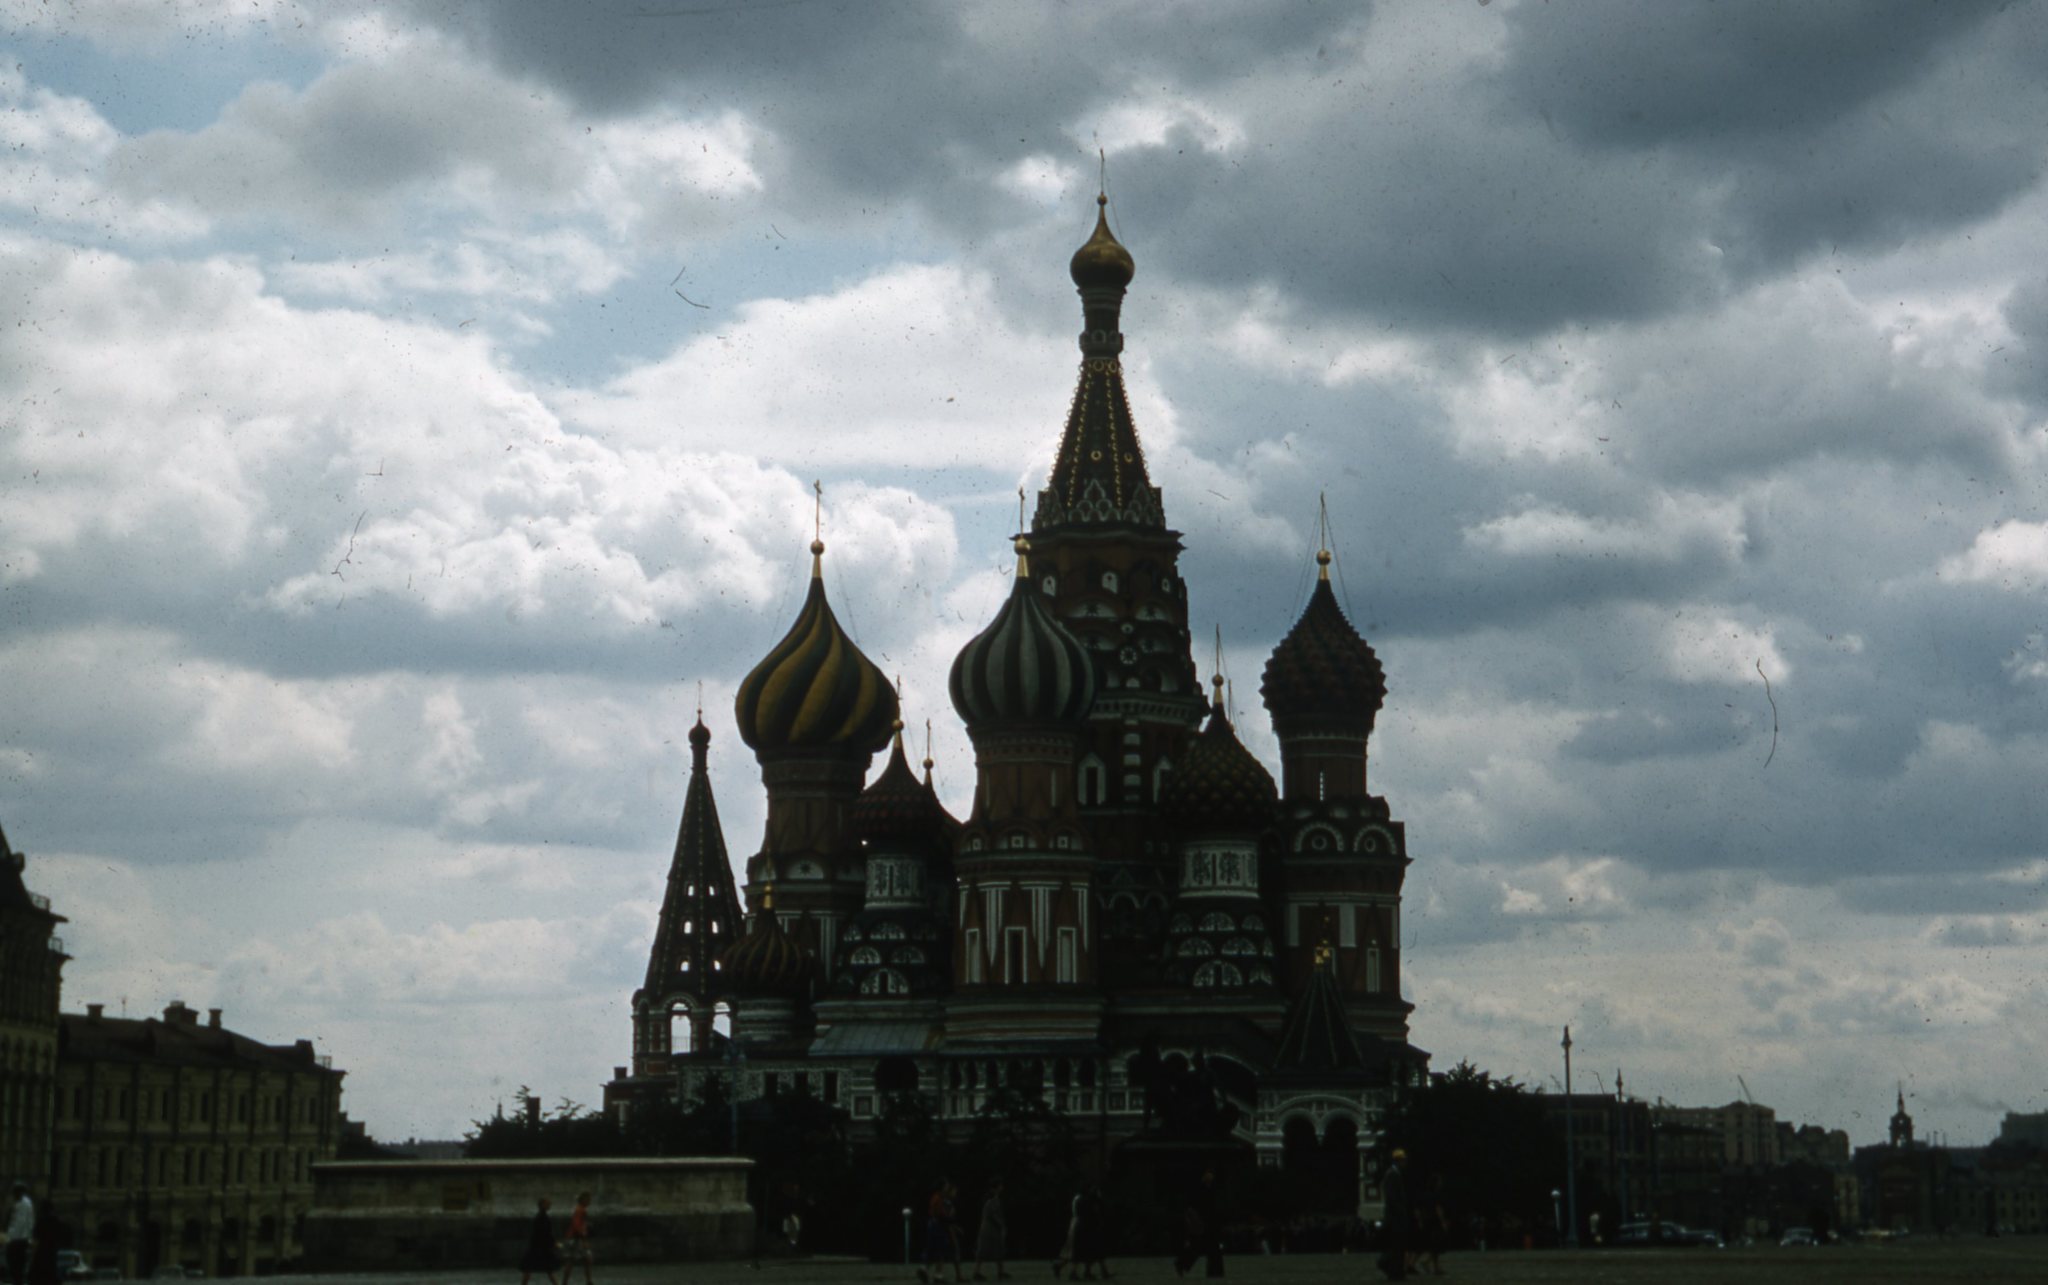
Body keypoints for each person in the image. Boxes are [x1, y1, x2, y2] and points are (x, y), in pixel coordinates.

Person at [1174, 1169, 1222, 1278]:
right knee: (1203, 1247)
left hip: (1207, 1223)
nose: (1210, 1178)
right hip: (1203, 1223)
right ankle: (1214, 1272)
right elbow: (1197, 1208)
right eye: (1208, 1176)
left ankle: (1182, 1264)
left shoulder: (1208, 1190)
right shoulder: (1202, 1190)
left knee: (1203, 1247)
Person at [917, 1178, 963, 1284]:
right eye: (946, 1186)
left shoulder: (936, 1197)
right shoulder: (939, 1198)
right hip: (938, 1226)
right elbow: (941, 1214)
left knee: (932, 1250)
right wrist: (950, 1221)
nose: (947, 1187)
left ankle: (924, 1269)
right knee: (940, 1251)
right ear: (942, 1187)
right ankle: (937, 1275)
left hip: (935, 1225)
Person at [1377, 1150, 1409, 1282]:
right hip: (1394, 1217)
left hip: (1395, 1216)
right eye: (1403, 1160)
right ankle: (1393, 1270)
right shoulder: (1392, 1175)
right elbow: (1392, 1197)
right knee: (1396, 1245)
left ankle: (1397, 1271)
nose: (1405, 1163)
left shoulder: (1395, 1174)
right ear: (1398, 1161)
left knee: (1398, 1245)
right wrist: (1401, 1211)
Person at [971, 1178, 1009, 1281]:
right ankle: (976, 1272)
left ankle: (1000, 1271)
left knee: (999, 1250)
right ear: (996, 1187)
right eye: (1000, 1185)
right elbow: (994, 1215)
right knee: (983, 1251)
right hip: (989, 1229)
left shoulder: (995, 1198)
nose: (1002, 1187)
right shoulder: (991, 1199)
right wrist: (1002, 1226)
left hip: (992, 1228)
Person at [518, 1195, 561, 1285]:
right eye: (547, 1204)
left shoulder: (541, 1217)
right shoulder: (542, 1218)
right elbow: (546, 1233)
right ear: (542, 1205)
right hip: (540, 1248)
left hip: (538, 1247)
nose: (549, 1205)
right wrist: (553, 1243)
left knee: (531, 1268)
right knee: (546, 1269)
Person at [25, 1200, 69, 1285]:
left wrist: (32, 1255)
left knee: (38, 1278)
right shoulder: (58, 1222)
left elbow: (35, 1241)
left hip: (40, 1254)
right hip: (52, 1253)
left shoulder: (41, 1221)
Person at [561, 1191, 593, 1285]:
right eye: (588, 1199)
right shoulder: (580, 1210)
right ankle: (588, 1281)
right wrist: (583, 1239)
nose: (589, 1202)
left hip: (574, 1238)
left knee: (582, 1260)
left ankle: (588, 1281)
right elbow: (577, 1225)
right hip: (576, 1239)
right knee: (582, 1260)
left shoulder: (579, 1209)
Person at [5, 1184, 33, 1285]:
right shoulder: (21, 1203)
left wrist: (10, 1238)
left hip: (18, 1240)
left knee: (16, 1265)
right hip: (18, 1240)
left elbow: (21, 1224)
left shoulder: (24, 1204)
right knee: (16, 1267)